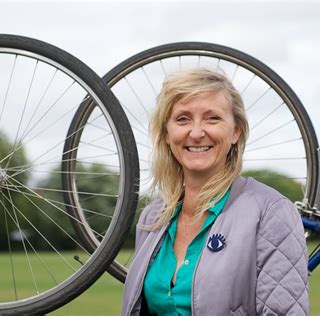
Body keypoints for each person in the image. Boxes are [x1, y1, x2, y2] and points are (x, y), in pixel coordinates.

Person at [122, 68, 309, 315]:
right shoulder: (153, 217)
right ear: (166, 134)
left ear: (235, 132)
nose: (197, 133)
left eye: (212, 118)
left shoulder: (271, 212)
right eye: (182, 119)